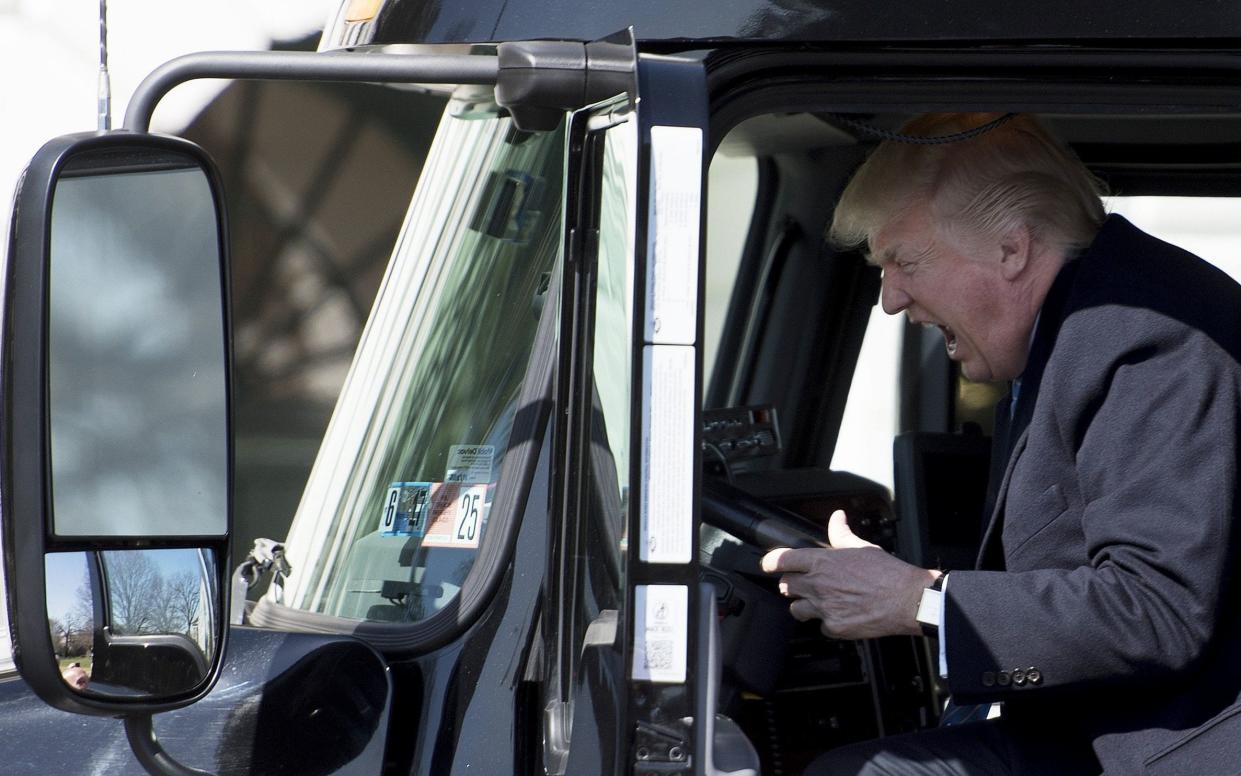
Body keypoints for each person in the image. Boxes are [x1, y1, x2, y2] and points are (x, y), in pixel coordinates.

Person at [762, 113, 1241, 775]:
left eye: (904, 262)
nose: (890, 300)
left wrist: (917, 600)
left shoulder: (1144, 341)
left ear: (1011, 250)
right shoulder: (1073, 329)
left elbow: (1154, 612)